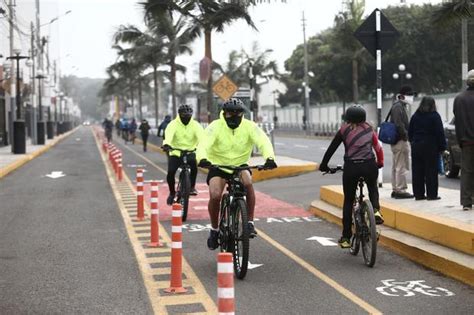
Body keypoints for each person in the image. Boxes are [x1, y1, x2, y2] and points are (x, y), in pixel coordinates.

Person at [196, 98, 277, 250]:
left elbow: (263, 142)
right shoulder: (215, 126)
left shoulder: (250, 126)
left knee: (248, 182)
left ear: (242, 114)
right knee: (214, 195)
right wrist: (202, 159)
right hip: (218, 165)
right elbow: (204, 144)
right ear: (224, 113)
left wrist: (270, 158)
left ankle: (250, 223)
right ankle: (214, 229)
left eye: (237, 114)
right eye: (230, 114)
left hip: (239, 165)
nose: (233, 117)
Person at [319, 105, 384, 249]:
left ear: (347, 118)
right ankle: (376, 210)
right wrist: (380, 163)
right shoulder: (369, 129)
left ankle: (346, 238)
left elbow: (331, 148)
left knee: (348, 201)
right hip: (368, 165)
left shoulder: (343, 130)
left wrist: (324, 165)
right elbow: (378, 148)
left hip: (352, 168)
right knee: (373, 187)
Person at [162, 105, 204, 205]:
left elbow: (201, 137)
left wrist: (203, 146)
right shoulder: (173, 124)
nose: (186, 118)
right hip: (176, 153)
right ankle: (172, 193)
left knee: (194, 167)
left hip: (190, 152)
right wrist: (166, 144)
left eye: (188, 116)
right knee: (171, 172)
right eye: (184, 115)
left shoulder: (196, 125)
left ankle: (192, 187)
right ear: (179, 114)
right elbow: (169, 135)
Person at [408, 96, 446, 201]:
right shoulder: (435, 116)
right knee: (431, 171)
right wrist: (442, 147)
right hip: (430, 146)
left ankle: (418, 194)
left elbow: (410, 132)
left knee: (417, 171)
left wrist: (413, 141)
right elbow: (440, 133)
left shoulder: (415, 116)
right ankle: (432, 194)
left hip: (416, 145)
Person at [453, 69, 474, 211]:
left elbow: (458, 122)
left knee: (466, 171)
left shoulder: (459, 99)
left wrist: (460, 140)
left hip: (466, 141)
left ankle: (466, 202)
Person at [389, 85, 415, 199]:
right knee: (402, 165)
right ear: (402, 96)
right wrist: (406, 136)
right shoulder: (398, 107)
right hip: (400, 140)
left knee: (396, 165)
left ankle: (396, 188)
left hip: (397, 140)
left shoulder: (399, 106)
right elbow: (399, 124)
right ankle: (401, 189)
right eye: (409, 95)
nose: (411, 97)